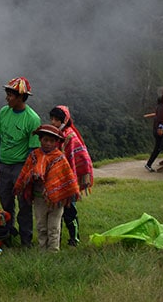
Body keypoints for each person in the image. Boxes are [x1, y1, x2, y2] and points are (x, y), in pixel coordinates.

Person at [19, 124, 81, 251]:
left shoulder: (60, 158)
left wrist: (57, 189)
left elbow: (67, 178)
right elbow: (26, 174)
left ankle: (53, 251)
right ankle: (42, 249)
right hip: (39, 198)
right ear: (40, 139)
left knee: (54, 226)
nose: (48, 143)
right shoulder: (34, 156)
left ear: (56, 142)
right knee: (41, 226)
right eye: (45, 140)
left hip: (56, 200)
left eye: (51, 141)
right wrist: (32, 175)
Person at [0, 77, 42, 246]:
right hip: (4, 165)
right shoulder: (3, 112)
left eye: (11, 95)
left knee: (24, 203)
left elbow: (32, 150)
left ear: (21, 97)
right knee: (5, 202)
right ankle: (7, 234)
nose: (7, 98)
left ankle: (26, 239)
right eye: (7, 94)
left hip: (21, 166)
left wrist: (26, 173)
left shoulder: (32, 119)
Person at [48, 105, 95, 245]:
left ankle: (74, 238)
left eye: (56, 119)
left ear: (64, 120)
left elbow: (80, 157)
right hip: (56, 179)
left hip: (69, 180)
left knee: (69, 210)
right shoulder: (54, 135)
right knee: (57, 212)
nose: (53, 122)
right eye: (52, 119)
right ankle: (57, 238)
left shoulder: (69, 136)